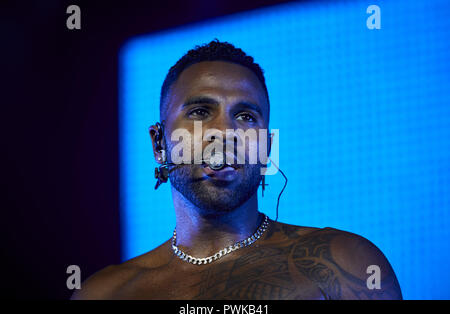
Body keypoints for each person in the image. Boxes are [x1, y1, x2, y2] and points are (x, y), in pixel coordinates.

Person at [72, 39, 402, 300]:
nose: (225, 132)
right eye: (201, 111)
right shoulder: (104, 293)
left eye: (245, 117)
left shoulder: (346, 264)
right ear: (159, 144)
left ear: (267, 150)